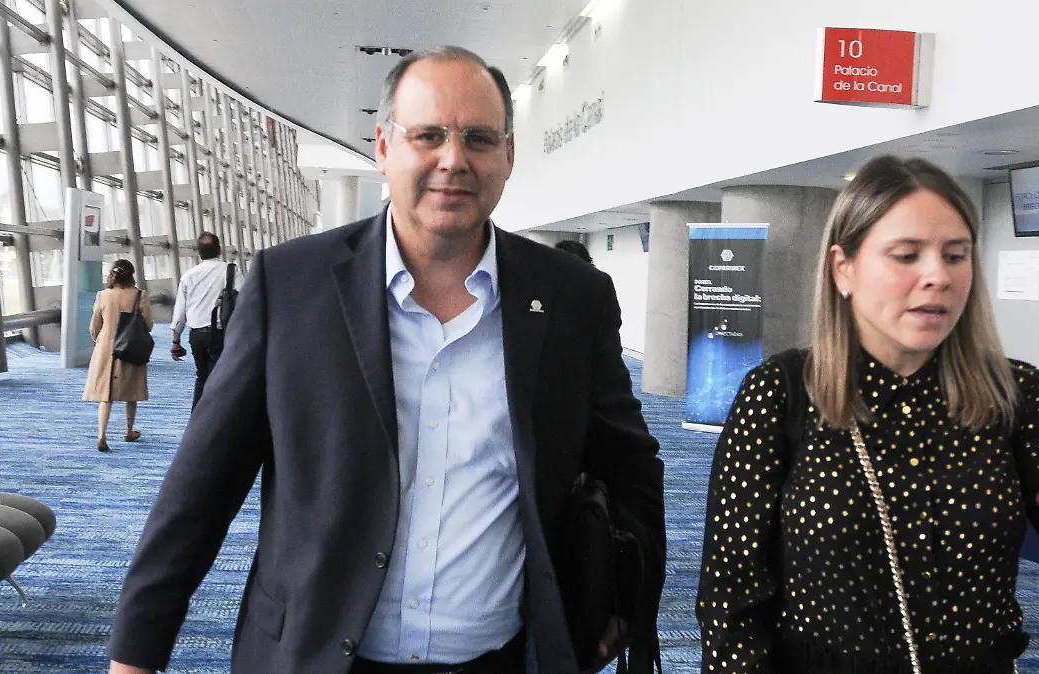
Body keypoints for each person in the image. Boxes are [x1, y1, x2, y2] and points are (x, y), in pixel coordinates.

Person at [108, 46, 664, 674]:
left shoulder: (571, 298)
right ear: (383, 146)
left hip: (502, 658)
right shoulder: (291, 287)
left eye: (479, 138)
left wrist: (625, 605)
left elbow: (630, 462)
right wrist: (136, 653)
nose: (454, 160)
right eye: (429, 135)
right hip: (313, 654)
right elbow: (198, 491)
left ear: (509, 155)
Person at [696, 155, 1039, 674]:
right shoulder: (781, 394)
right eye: (906, 255)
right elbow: (731, 600)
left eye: (956, 255)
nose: (937, 277)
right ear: (844, 268)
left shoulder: (1011, 394)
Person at [83, 259, 152, 452]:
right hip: (130, 346)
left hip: (105, 347)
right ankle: (129, 431)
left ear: (112, 275)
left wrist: (98, 341)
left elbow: (94, 325)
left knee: (106, 395)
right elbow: (149, 324)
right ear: (131, 275)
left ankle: (102, 435)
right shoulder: (140, 295)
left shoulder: (103, 295)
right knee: (132, 391)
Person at [169, 232, 233, 409]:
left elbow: (180, 311)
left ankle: (197, 419)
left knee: (202, 376)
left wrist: (176, 341)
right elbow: (244, 300)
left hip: (197, 335)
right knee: (222, 378)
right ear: (219, 249)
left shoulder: (189, 275)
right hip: (222, 333)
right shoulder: (230, 272)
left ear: (198, 252)